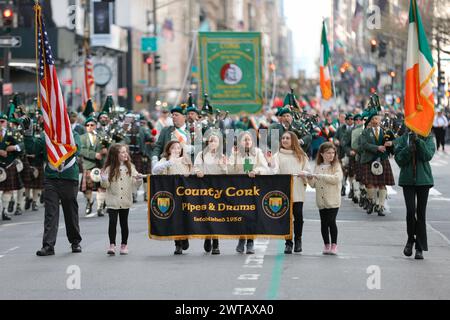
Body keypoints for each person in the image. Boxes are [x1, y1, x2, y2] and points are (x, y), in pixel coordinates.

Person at [22, 116, 83, 256]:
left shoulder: (73, 135)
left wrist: (60, 141)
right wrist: (28, 131)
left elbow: (76, 149)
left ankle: (75, 242)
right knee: (50, 212)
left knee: (70, 211)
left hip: (68, 176)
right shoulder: (45, 136)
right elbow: (32, 148)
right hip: (51, 177)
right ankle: (48, 245)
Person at [394, 129, 435, 260]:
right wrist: (408, 149)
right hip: (407, 180)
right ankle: (410, 239)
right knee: (410, 212)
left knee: (421, 214)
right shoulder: (402, 138)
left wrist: (418, 141)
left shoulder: (427, 137)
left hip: (424, 180)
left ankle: (420, 247)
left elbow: (428, 155)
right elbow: (399, 159)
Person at [269, 131, 311, 254]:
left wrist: (305, 173)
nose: (285, 140)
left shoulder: (301, 155)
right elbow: (275, 170)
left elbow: (307, 170)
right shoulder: (277, 155)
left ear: (293, 140)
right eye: (283, 138)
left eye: (288, 138)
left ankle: (298, 239)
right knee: (286, 217)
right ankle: (288, 242)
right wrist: (271, 166)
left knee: (298, 215)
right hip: (284, 189)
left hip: (297, 188)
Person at [228, 131, 269, 254]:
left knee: (251, 215)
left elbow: (265, 167)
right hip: (239, 188)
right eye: (244, 139)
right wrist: (228, 161)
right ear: (240, 141)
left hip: (253, 188)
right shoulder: (235, 153)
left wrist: (256, 170)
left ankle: (250, 242)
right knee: (241, 214)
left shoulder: (257, 152)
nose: (247, 142)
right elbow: (230, 170)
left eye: (249, 139)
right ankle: (241, 239)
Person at [101, 144, 143, 255]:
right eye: (122, 152)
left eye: (126, 152)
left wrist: (138, 179)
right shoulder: (109, 168)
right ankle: (112, 244)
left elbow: (135, 183)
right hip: (113, 200)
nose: (125, 154)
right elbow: (105, 185)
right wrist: (104, 178)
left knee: (124, 223)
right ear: (116, 155)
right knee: (112, 222)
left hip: (125, 199)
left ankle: (124, 245)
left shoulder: (130, 167)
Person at [152, 140, 192, 255]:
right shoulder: (165, 161)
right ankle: (177, 243)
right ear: (169, 150)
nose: (176, 150)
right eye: (174, 148)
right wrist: (170, 162)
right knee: (176, 218)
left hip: (185, 193)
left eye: (178, 148)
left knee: (185, 217)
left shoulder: (185, 160)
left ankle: (184, 237)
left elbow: (192, 173)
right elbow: (155, 170)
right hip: (172, 194)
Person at [194, 131, 227, 255]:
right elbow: (195, 167)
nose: (212, 143)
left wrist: (223, 166)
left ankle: (216, 242)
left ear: (219, 143)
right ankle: (207, 236)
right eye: (210, 141)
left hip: (217, 189)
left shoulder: (222, 156)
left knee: (216, 215)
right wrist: (198, 171)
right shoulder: (201, 155)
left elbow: (226, 172)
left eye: (215, 141)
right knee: (206, 213)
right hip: (204, 187)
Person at [308, 142, 343, 255]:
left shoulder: (336, 166)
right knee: (323, 223)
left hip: (333, 200)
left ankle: (334, 245)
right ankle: (326, 244)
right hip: (321, 200)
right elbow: (313, 184)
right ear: (322, 154)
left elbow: (336, 179)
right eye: (328, 153)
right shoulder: (318, 166)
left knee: (331, 221)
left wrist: (320, 176)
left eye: (333, 153)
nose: (331, 155)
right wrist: (309, 178)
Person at [360, 113, 395, 216]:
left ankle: (380, 206)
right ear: (371, 121)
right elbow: (364, 144)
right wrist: (377, 148)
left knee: (382, 184)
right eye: (375, 118)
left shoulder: (386, 132)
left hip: (383, 160)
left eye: (378, 118)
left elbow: (394, 141)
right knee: (369, 184)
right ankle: (371, 201)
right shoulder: (365, 132)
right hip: (369, 160)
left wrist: (391, 144)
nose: (376, 120)